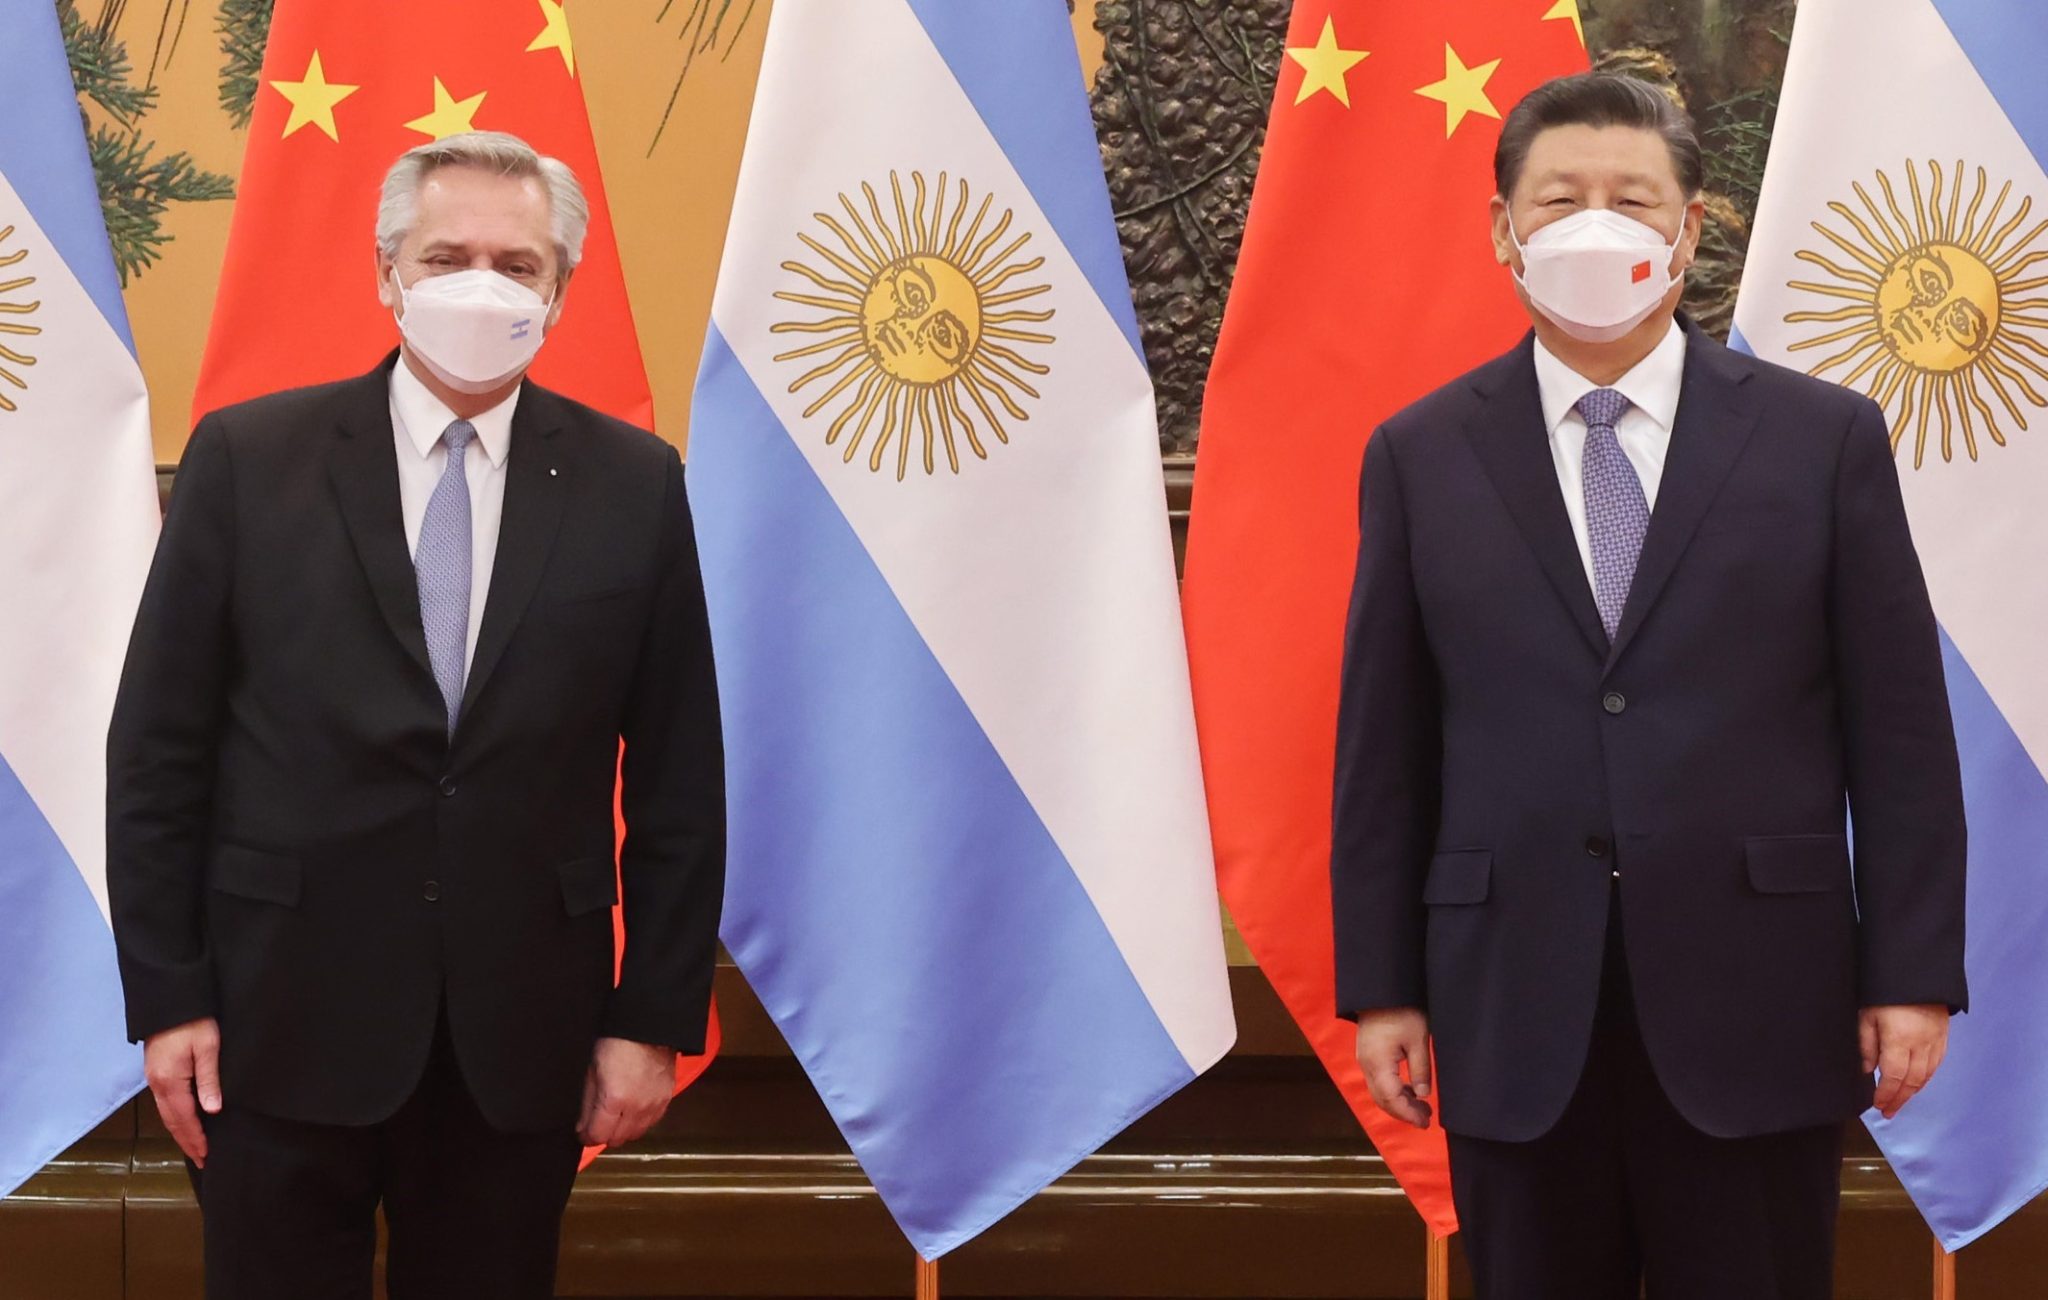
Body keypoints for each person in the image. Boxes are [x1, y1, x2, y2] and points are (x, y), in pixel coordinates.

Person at [1333, 74, 1966, 1298]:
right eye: (1557, 198)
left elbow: (1897, 732)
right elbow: (1384, 750)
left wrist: (1909, 973)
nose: (1593, 224)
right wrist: (1383, 990)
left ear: (1688, 229)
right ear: (1501, 229)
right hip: (1511, 999)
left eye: (1630, 199)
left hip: (1759, 992)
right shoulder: (1418, 453)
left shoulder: (1821, 440)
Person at [107, 130, 725, 1300]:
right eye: (446, 257)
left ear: (559, 289)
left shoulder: (635, 485)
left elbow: (680, 777)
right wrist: (169, 995)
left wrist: (650, 1018)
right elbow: (156, 755)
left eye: (516, 263)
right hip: (272, 1025)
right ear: (388, 272)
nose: (480, 286)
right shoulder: (248, 460)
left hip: (520, 1039)